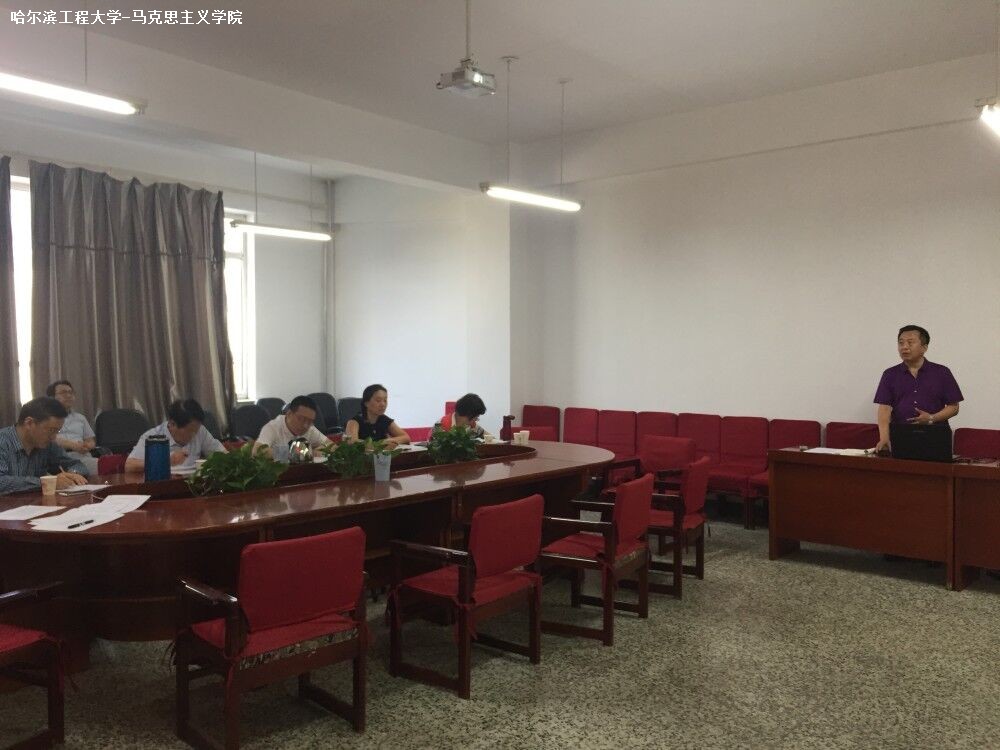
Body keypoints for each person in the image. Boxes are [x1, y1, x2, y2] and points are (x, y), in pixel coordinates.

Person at [872, 325, 963, 453]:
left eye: (910, 342)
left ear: (924, 348)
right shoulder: (890, 374)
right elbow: (884, 408)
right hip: (900, 435)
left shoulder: (942, 372)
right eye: (901, 343)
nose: (904, 347)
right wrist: (884, 437)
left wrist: (931, 418)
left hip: (935, 436)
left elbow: (954, 407)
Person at [0, 397, 89, 494]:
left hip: (35, 502)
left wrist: (71, 474)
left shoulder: (48, 444)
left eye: (57, 431)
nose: (54, 437)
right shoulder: (3, 441)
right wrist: (46, 482)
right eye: (51, 430)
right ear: (29, 423)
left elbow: (78, 465)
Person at [124, 399, 226, 473]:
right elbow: (129, 466)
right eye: (190, 431)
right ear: (172, 424)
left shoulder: (200, 430)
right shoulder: (153, 436)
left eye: (196, 430)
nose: (195, 434)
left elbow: (223, 455)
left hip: (196, 486)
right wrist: (166, 461)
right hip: (165, 487)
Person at [253, 395, 332, 457]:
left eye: (310, 421)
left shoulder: (310, 428)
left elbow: (331, 445)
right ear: (289, 413)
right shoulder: (272, 427)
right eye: (301, 419)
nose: (305, 425)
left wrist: (314, 452)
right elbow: (257, 451)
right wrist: (299, 452)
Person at [47, 379, 98, 474]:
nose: (68, 395)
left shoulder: (80, 418)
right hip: (61, 458)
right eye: (63, 393)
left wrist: (87, 445)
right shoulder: (46, 418)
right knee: (104, 466)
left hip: (83, 455)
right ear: (52, 397)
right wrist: (72, 445)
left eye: (71, 392)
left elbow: (91, 440)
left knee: (107, 466)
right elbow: (50, 439)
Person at [344, 384, 410, 447]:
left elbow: (406, 437)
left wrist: (389, 441)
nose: (383, 404)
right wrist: (379, 444)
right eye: (378, 400)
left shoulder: (384, 419)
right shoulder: (354, 422)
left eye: (385, 400)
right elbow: (352, 442)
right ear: (366, 403)